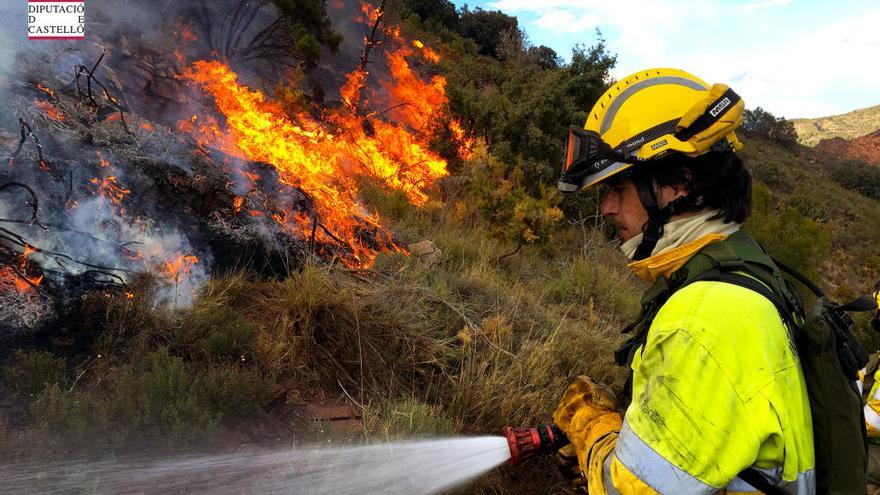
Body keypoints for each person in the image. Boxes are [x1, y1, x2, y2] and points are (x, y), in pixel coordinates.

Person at [552, 68, 815, 494]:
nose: (607, 208)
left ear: (679, 183)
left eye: (618, 186)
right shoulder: (742, 272)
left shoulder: (706, 317)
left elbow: (631, 489)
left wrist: (593, 430)